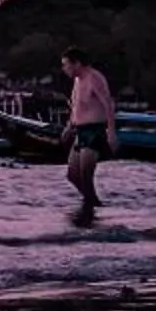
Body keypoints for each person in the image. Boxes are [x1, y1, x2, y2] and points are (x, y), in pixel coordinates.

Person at [59, 47, 119, 214]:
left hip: (94, 131)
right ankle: (94, 203)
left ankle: (90, 209)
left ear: (76, 63)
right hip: (80, 130)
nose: (64, 69)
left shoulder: (94, 78)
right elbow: (76, 106)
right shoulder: (77, 81)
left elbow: (108, 105)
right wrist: (69, 126)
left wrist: (111, 133)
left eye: (66, 65)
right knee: (72, 175)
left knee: (86, 176)